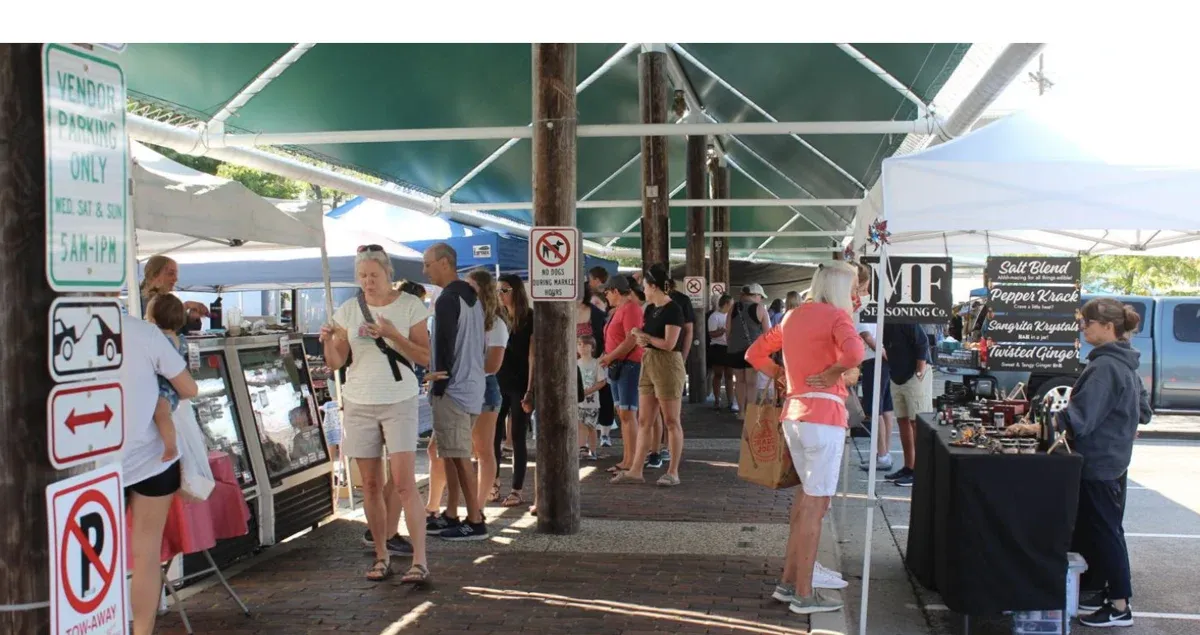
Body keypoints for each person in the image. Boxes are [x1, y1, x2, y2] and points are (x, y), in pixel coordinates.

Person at [746, 262, 863, 615]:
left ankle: (789, 582)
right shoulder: (837, 317)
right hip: (824, 418)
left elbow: (754, 354)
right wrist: (832, 372)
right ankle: (803, 592)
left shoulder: (793, 316)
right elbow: (856, 354)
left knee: (803, 503)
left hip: (794, 416)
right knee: (814, 507)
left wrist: (782, 376)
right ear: (842, 289)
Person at [321, 244, 431, 582]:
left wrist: (392, 334)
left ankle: (419, 559)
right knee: (369, 483)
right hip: (358, 400)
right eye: (363, 275)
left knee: (402, 482)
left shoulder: (410, 305)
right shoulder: (348, 310)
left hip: (398, 398)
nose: (368, 281)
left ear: (388, 275)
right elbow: (336, 362)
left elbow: (425, 357)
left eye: (374, 275)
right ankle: (381, 556)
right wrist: (327, 340)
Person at [1061, 299, 1151, 628]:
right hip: (1114, 460)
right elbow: (1144, 411)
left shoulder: (1104, 367)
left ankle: (1120, 606)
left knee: (1107, 532)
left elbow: (1078, 420)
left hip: (1100, 462)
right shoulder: (1126, 363)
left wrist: (1041, 423)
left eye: (1088, 322)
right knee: (1101, 529)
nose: (1083, 327)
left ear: (1108, 327)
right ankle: (1102, 593)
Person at [122, 297, 199, 635]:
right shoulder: (145, 334)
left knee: (91, 558)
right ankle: (141, 631)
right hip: (153, 458)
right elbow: (189, 387)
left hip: (93, 464)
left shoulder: (59, 333)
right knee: (146, 555)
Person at [425, 269, 509, 514]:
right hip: (459, 385)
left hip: (482, 388)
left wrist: (462, 365)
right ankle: (434, 504)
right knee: (440, 448)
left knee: (481, 450)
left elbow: (493, 365)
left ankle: (477, 507)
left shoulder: (495, 324)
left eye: (470, 287)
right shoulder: (466, 315)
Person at [420, 244, 489, 541]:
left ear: (445, 263)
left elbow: (444, 345)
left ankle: (474, 520)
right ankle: (452, 513)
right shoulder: (471, 297)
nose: (425, 270)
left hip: (455, 388)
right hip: (471, 385)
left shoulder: (449, 299)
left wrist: (438, 383)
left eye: (428, 264)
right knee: (449, 452)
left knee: (459, 456)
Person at [611, 264, 686, 487]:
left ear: (653, 286)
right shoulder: (650, 309)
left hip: (667, 363)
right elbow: (652, 339)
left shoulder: (674, 309)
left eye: (645, 285)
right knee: (644, 419)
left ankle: (673, 471)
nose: (643, 289)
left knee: (671, 420)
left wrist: (645, 338)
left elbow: (670, 343)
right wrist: (642, 338)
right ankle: (635, 469)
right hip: (649, 361)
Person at [491, 274, 535, 511]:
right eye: (498, 290)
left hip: (520, 383)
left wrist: (530, 389)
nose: (500, 295)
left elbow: (533, 355)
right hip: (498, 380)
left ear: (516, 291)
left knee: (517, 437)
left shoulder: (529, 317)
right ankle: (494, 481)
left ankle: (517, 489)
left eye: (504, 290)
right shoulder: (496, 317)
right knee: (493, 436)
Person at [599, 275, 643, 477]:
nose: (605, 296)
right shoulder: (618, 310)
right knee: (623, 413)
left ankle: (632, 459)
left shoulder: (631, 308)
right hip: (617, 364)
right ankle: (627, 458)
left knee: (628, 413)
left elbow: (631, 339)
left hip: (628, 364)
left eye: (606, 292)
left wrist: (610, 356)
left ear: (615, 291)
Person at [881, 321, 930, 487]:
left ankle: (921, 471)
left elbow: (922, 343)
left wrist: (919, 371)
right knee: (902, 420)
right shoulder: (883, 320)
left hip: (914, 374)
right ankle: (909, 467)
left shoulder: (904, 318)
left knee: (917, 422)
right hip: (897, 374)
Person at [144, 293, 189, 464]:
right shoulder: (179, 339)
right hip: (173, 386)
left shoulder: (161, 340)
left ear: (154, 320)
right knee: (164, 414)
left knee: (161, 413)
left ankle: (171, 446)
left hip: (165, 387)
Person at [727, 283, 771, 418]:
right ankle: (751, 413)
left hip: (735, 350)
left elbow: (727, 330)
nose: (761, 299)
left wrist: (733, 344)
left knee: (739, 381)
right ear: (756, 295)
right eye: (760, 297)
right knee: (752, 383)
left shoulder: (733, 308)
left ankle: (741, 412)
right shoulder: (760, 309)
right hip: (754, 351)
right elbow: (767, 333)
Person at [140, 254, 210, 332]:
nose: (175, 279)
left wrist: (192, 318)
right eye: (170, 273)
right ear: (154, 275)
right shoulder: (140, 301)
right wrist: (186, 305)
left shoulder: (165, 300)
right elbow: (164, 322)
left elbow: (180, 330)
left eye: (176, 274)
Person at [577, 335, 606, 460]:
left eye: (586, 345)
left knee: (591, 426)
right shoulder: (575, 364)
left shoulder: (596, 363)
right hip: (578, 401)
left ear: (592, 347)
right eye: (580, 345)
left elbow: (602, 382)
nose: (582, 347)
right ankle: (582, 448)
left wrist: (588, 391)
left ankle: (593, 450)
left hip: (592, 401)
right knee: (580, 425)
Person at [708, 294, 734, 410]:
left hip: (729, 347)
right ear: (727, 304)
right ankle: (717, 400)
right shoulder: (714, 317)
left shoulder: (732, 316)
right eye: (732, 303)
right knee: (718, 375)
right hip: (718, 347)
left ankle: (730, 401)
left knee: (729, 375)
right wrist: (723, 330)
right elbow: (712, 334)